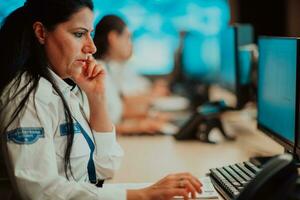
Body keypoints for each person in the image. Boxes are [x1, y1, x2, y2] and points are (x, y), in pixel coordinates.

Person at [0, 0, 202, 200]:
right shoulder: (26, 96)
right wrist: (142, 195)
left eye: (91, 34)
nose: (92, 47)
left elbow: (105, 168)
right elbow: (39, 193)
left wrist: (97, 99)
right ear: (41, 33)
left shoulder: (65, 88)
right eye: (79, 34)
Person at [93, 15, 171, 135]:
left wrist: (148, 117)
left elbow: (117, 111)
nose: (131, 44)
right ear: (113, 38)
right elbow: (100, 124)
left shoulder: (107, 69)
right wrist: (139, 126)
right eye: (128, 38)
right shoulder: (97, 72)